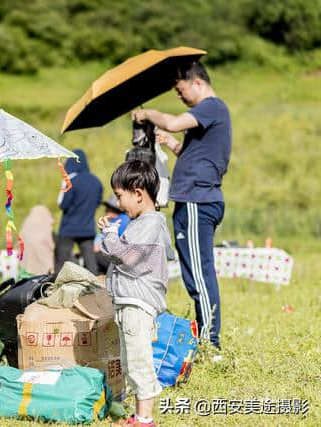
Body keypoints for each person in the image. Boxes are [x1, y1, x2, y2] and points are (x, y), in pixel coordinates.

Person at [132, 60, 231, 351]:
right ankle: (206, 336)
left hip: (197, 201)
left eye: (180, 89)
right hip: (195, 199)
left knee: (199, 273)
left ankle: (210, 342)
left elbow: (174, 121)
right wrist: (172, 144)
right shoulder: (211, 116)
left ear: (197, 83)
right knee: (193, 270)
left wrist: (147, 113)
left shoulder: (211, 106)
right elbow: (194, 154)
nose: (179, 96)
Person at [98, 160, 174, 427]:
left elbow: (127, 258)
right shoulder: (145, 222)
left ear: (139, 193)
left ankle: (145, 419)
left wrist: (109, 235)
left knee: (139, 361)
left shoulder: (149, 223)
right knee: (131, 360)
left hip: (137, 303)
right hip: (129, 302)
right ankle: (140, 416)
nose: (119, 204)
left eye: (120, 196)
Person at [55, 149, 103, 274]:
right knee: (90, 262)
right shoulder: (96, 181)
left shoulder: (70, 181)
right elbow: (98, 202)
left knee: (62, 261)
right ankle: (96, 286)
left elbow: (63, 204)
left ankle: (58, 286)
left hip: (68, 228)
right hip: (87, 228)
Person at [93, 195, 130, 275]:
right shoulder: (127, 218)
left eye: (108, 208)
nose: (105, 210)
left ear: (114, 210)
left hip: (118, 261)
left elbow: (97, 247)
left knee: (92, 255)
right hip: (127, 260)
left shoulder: (115, 222)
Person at [19, 205, 56, 276]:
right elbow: (53, 246)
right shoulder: (46, 229)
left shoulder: (24, 230)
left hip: (25, 271)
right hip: (44, 273)